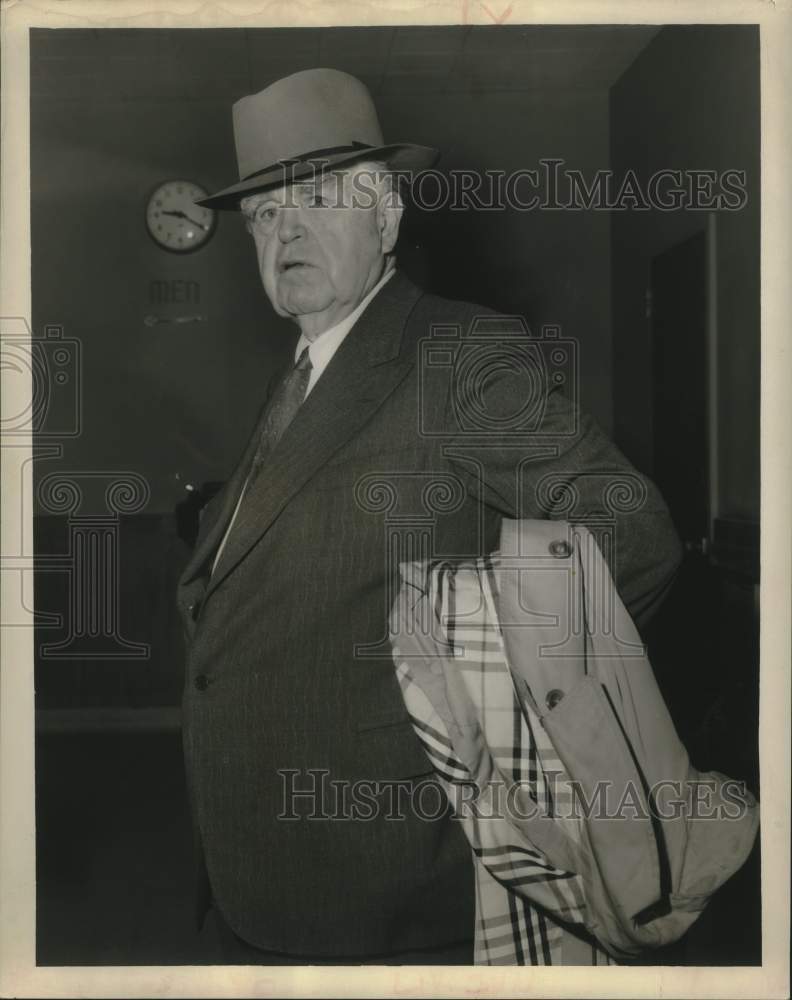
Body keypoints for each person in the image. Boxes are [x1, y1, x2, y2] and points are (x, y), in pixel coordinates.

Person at [176, 67, 683, 965]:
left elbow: (631, 529)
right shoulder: (306, 367)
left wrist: (476, 675)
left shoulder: (456, 352)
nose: (282, 231)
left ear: (385, 211)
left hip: (382, 882)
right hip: (259, 868)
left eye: (314, 200)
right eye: (262, 215)